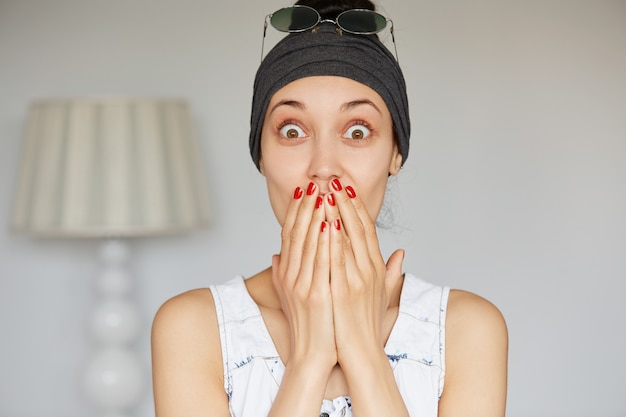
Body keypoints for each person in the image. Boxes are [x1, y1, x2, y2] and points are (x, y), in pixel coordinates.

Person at [151, 0, 508, 416]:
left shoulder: (467, 329)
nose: (323, 167)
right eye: (292, 130)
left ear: (396, 153)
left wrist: (362, 350)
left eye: (357, 131)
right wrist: (309, 360)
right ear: (260, 154)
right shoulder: (194, 328)